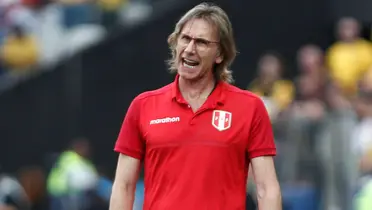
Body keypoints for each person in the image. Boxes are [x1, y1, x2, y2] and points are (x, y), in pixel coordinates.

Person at [110, 3, 282, 210]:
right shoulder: (143, 105)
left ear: (219, 54)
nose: (190, 49)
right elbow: (124, 185)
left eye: (201, 42)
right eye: (185, 39)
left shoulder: (250, 107)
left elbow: (266, 188)